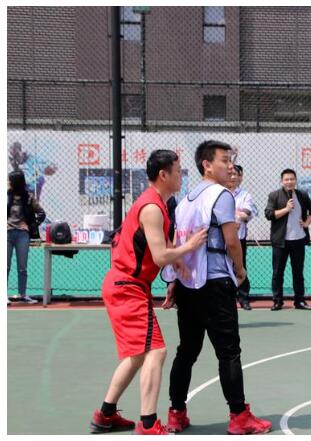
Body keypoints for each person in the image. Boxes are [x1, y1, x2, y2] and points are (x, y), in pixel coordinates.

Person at [90, 150, 208, 435]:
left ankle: (105, 415)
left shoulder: (158, 204)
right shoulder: (152, 207)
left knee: (137, 354)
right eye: (177, 171)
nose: (181, 176)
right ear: (163, 175)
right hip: (127, 287)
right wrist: (190, 247)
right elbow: (160, 256)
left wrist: (177, 268)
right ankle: (148, 423)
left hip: (128, 286)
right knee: (156, 350)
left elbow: (165, 246)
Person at [163, 140, 272, 435]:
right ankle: (239, 416)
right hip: (215, 283)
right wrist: (240, 269)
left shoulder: (185, 201)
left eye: (231, 160)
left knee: (187, 351)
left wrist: (173, 281)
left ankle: (176, 413)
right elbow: (232, 239)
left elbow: (177, 243)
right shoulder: (221, 195)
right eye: (224, 160)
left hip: (187, 284)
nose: (230, 166)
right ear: (207, 165)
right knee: (229, 352)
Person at [265, 168, 311, 311]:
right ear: (281, 181)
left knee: (298, 272)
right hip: (280, 241)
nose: (289, 182)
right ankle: (277, 301)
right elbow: (269, 214)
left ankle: (299, 301)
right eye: (286, 179)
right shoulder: (274, 195)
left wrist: (306, 223)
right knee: (278, 273)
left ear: (296, 180)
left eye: (292, 179)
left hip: (298, 240)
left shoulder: (302, 195)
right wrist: (286, 209)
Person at [7, 170, 46, 304]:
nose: (8, 182)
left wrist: (32, 225)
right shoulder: (6, 196)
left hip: (23, 234)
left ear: (15, 182)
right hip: (7, 233)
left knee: (22, 267)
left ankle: (22, 294)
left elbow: (41, 213)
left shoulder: (28, 197)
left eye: (10, 180)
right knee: (5, 266)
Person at [226, 165, 258, 310]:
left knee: (240, 266)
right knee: (223, 268)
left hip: (239, 239)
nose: (232, 177)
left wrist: (234, 217)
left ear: (240, 177)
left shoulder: (245, 195)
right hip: (221, 240)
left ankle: (243, 297)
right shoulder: (220, 193)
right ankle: (227, 297)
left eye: (235, 174)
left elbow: (246, 213)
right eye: (230, 174)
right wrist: (236, 217)